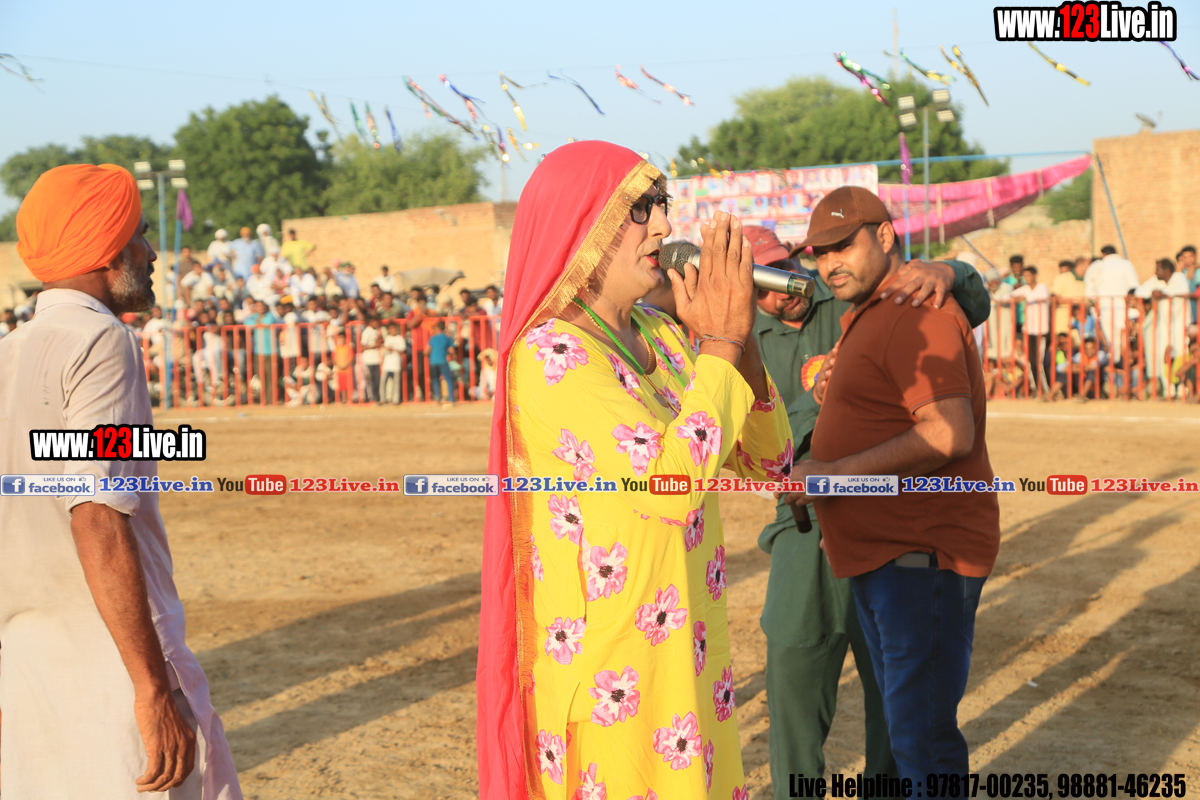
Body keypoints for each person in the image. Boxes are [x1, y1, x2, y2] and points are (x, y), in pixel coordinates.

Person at [477, 141, 791, 800]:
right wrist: (721, 342)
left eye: (662, 204)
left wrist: (739, 341)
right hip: (614, 672)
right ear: (584, 225)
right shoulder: (552, 354)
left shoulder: (665, 335)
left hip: (689, 655)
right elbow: (670, 489)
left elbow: (770, 460)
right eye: (639, 208)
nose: (664, 225)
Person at [0, 163, 241, 798]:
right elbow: (96, 511)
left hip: (25, 661)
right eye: (139, 234)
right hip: (108, 663)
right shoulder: (101, 341)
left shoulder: (12, 351)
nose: (152, 252)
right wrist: (151, 687)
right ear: (107, 250)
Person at [748, 224, 991, 797]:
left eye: (784, 269)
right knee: (795, 672)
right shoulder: (740, 342)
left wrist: (950, 269)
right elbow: (753, 442)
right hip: (802, 522)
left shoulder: (846, 296)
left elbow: (970, 303)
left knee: (894, 682)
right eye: (762, 284)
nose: (781, 290)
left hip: (885, 516)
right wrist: (819, 401)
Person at [1084, 244, 1140, 365]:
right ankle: (1122, 368)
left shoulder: (1096, 266)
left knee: (1112, 343)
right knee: (1125, 343)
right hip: (1125, 308)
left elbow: (1089, 294)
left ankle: (1114, 368)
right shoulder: (1126, 264)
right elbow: (1135, 287)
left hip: (1105, 309)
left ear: (1103, 254)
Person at [1010, 265, 1052, 396]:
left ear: (1035, 275)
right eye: (1025, 276)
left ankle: (1048, 391)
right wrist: (1015, 298)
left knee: (1040, 362)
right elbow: (1009, 295)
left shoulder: (1042, 288)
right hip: (1029, 330)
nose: (1026, 278)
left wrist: (1025, 298)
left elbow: (1043, 297)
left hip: (1041, 331)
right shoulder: (1025, 289)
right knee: (1031, 362)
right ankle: (1038, 389)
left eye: (1028, 275)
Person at [1050, 258, 1085, 334]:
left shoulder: (1083, 280)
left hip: (1078, 322)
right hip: (1063, 320)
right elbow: (1054, 297)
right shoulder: (1061, 279)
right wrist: (1072, 302)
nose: (1063, 272)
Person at [427, 320, 456, 405]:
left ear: (437, 328)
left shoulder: (433, 338)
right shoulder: (447, 338)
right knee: (448, 379)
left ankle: (438, 397)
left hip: (433, 361)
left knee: (435, 379)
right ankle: (451, 399)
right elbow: (452, 350)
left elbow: (426, 351)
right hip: (443, 361)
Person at [381, 323, 406, 404]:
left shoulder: (400, 338)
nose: (394, 330)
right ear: (389, 330)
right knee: (383, 382)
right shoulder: (387, 338)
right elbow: (385, 348)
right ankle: (382, 399)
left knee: (396, 383)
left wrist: (393, 349)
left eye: (395, 329)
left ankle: (396, 399)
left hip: (396, 363)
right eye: (391, 329)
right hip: (387, 364)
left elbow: (403, 350)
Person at [360, 316, 383, 403]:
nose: (376, 323)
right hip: (368, 360)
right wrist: (373, 346)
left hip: (377, 359)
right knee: (369, 380)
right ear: (369, 323)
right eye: (374, 322)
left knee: (377, 380)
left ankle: (377, 397)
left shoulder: (378, 331)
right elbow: (362, 347)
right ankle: (370, 397)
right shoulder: (366, 332)